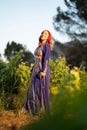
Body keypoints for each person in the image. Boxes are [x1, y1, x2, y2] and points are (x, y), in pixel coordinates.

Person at [22, 29, 53, 115]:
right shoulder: (39, 47)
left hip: (42, 70)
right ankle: (32, 109)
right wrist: (32, 70)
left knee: (42, 90)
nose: (43, 34)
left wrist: (43, 71)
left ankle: (44, 112)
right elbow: (36, 60)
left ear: (48, 37)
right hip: (35, 70)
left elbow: (46, 59)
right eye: (42, 33)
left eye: (45, 34)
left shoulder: (46, 46)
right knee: (33, 89)